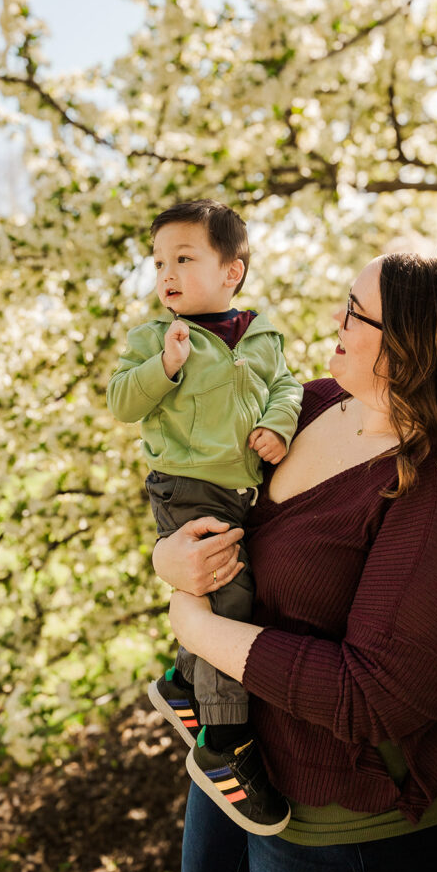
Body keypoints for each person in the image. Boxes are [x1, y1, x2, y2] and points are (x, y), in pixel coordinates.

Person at [152, 251, 437, 872]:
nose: (335, 320)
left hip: (348, 815)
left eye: (356, 312)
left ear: (409, 342)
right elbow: (201, 500)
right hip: (236, 766)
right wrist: (170, 559)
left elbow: (373, 695)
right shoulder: (309, 406)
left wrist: (193, 626)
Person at [107, 199, 303, 836]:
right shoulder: (155, 339)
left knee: (238, 591)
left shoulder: (262, 335)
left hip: (242, 491)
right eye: (160, 261)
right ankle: (225, 744)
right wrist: (163, 368)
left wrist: (276, 425)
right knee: (228, 599)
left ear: (232, 272)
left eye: (185, 259)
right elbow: (120, 401)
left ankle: (183, 685)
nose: (167, 273)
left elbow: (287, 387)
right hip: (187, 489)